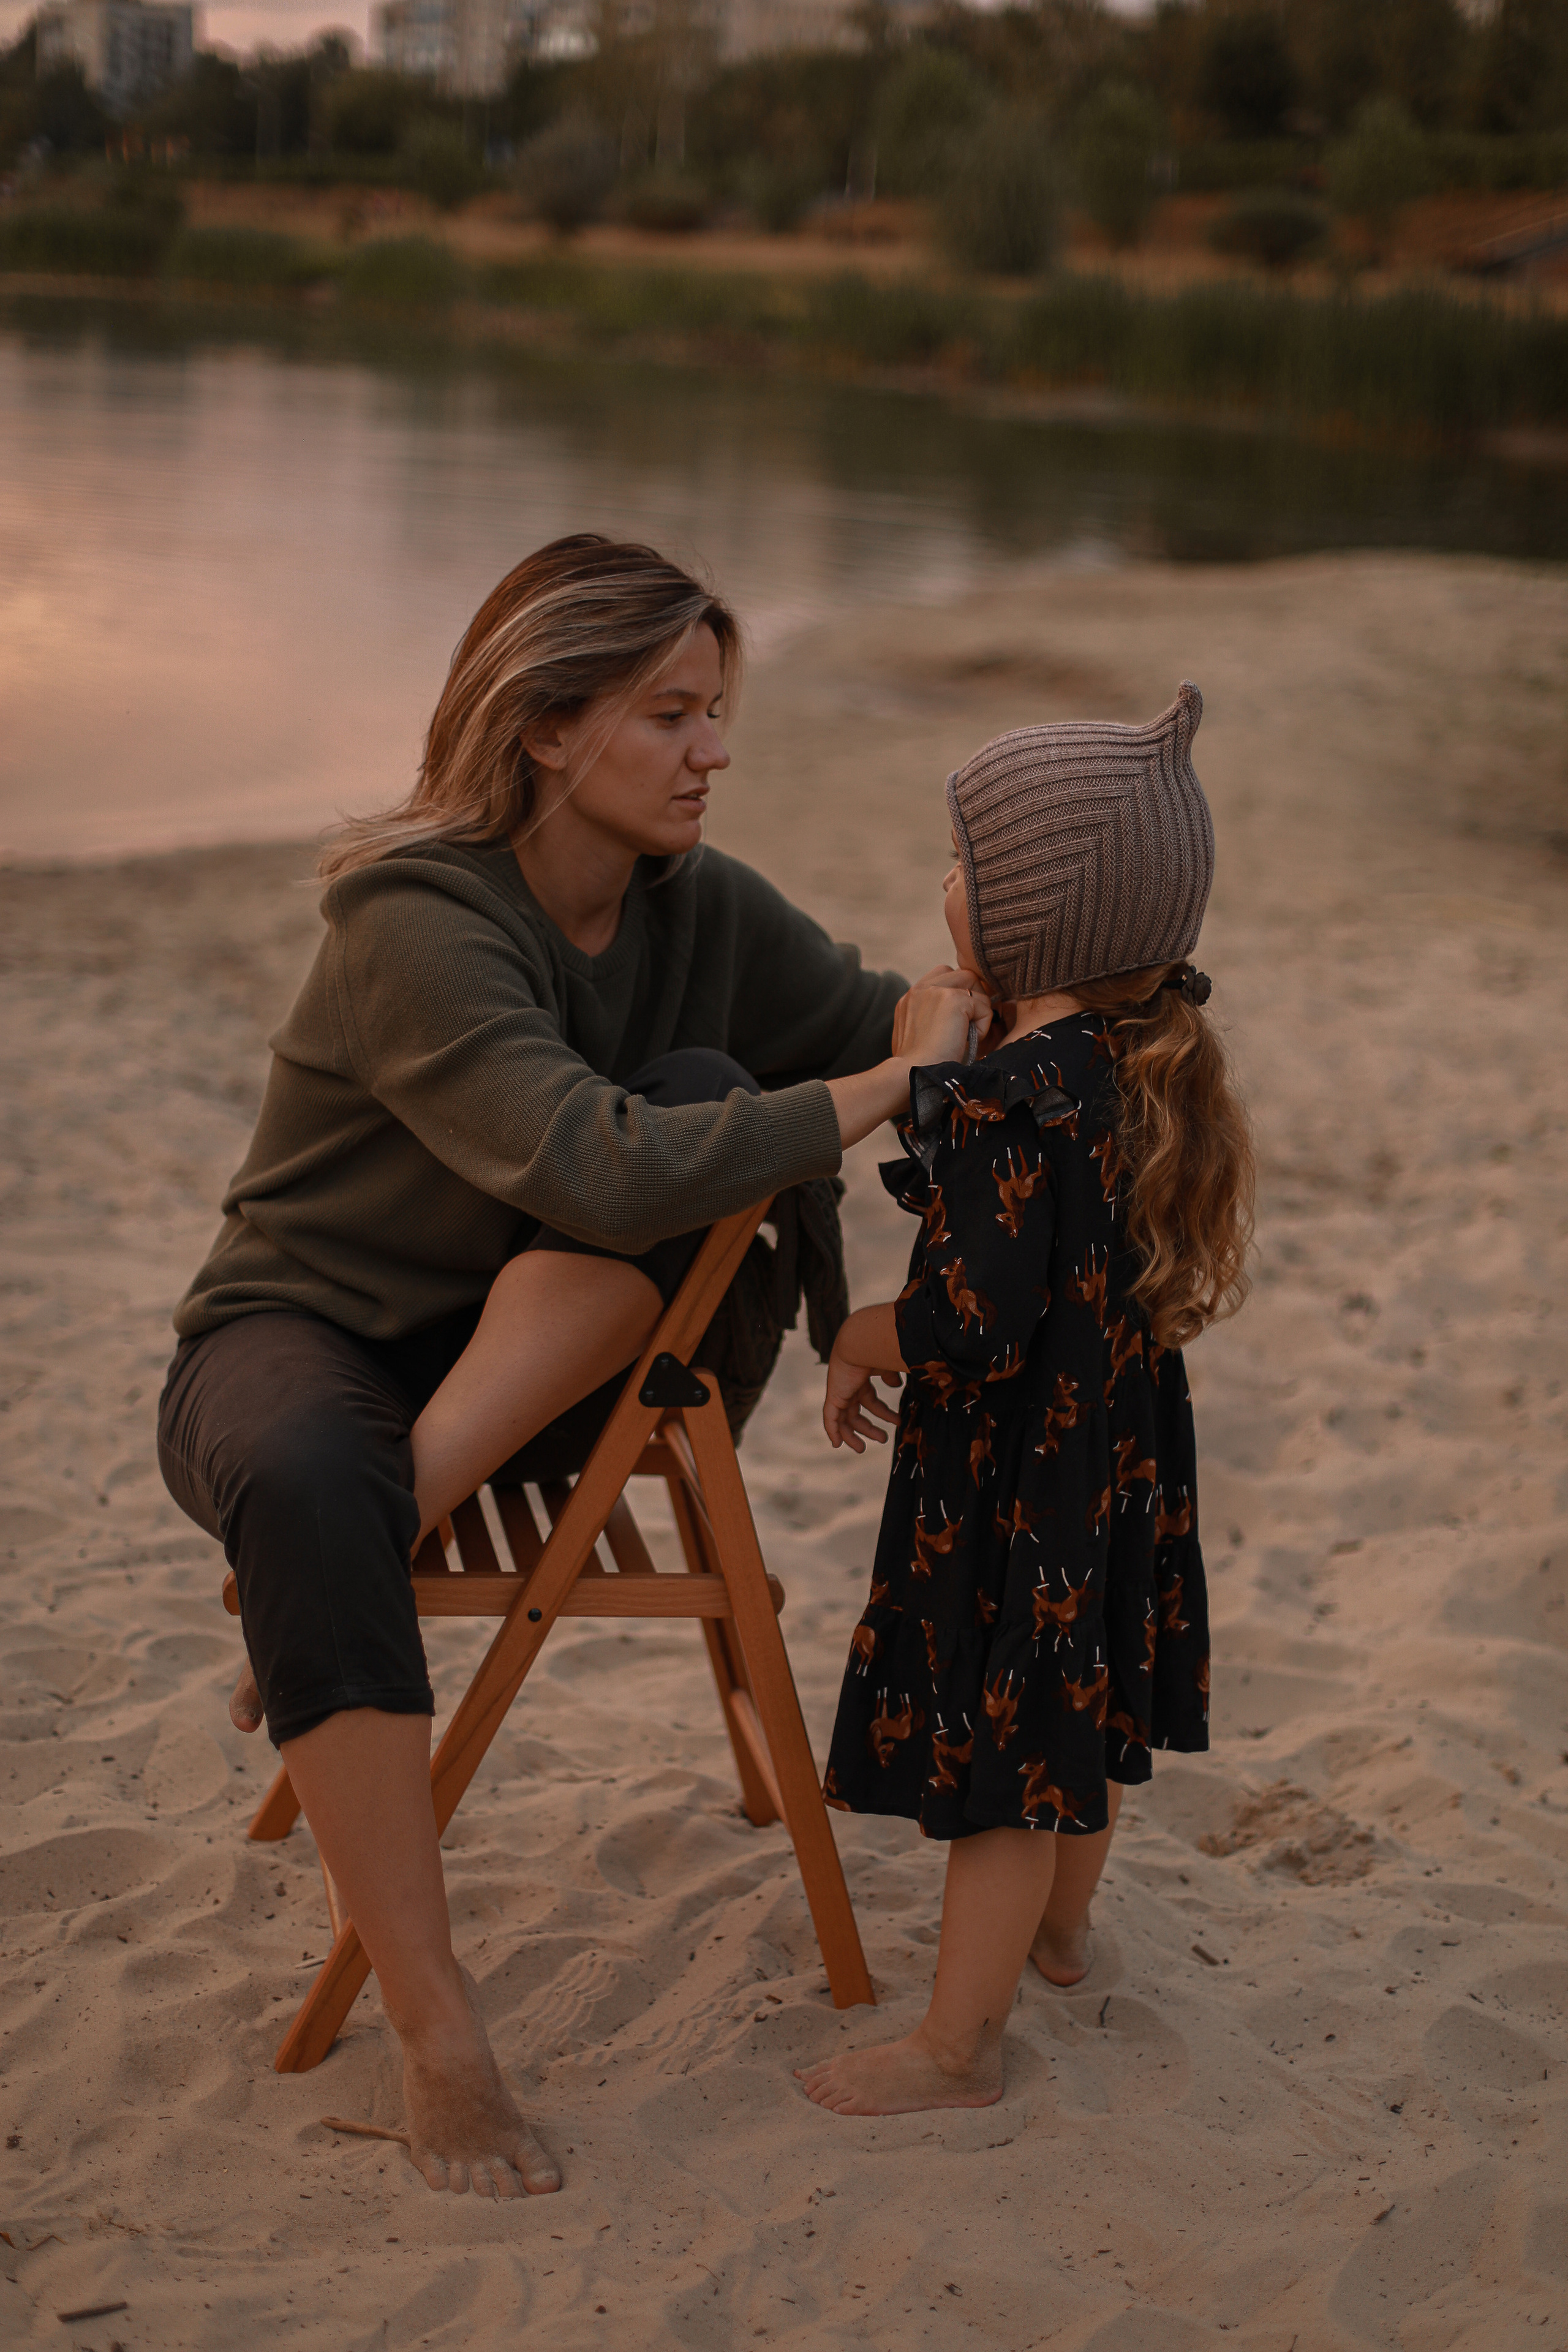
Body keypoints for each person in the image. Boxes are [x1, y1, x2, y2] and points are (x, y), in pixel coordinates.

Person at [156, 535, 990, 2196]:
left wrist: (991, 1009)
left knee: (691, 1075)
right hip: (297, 1339)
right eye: (670, 714)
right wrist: (893, 1089)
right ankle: (436, 2028)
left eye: (717, 711)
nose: (712, 751)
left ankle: (380, 1539)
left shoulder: (707, 912)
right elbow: (593, 1168)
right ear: (545, 725)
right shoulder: (412, 915)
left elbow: (889, 1016)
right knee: (323, 1471)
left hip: (554, 1399)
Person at [799, 682, 1254, 2119]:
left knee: (1005, 1757)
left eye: (962, 867)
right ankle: (1061, 1937)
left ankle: (956, 2048)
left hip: (1017, 1474)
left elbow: (974, 1317)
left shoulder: (1014, 1096)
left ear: (1034, 922)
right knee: (1078, 1700)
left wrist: (863, 1338)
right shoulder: (1131, 1066)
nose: (942, 884)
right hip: (1110, 1462)